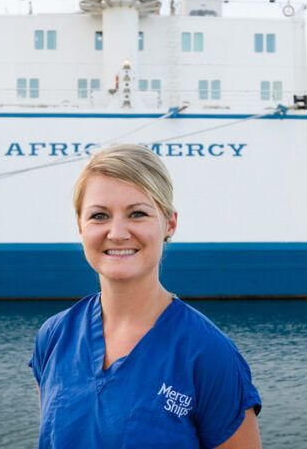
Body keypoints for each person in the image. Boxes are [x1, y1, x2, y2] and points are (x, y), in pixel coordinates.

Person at [29, 144, 262, 448]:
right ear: (80, 226)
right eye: (99, 216)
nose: (117, 233)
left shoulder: (208, 354)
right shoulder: (55, 337)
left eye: (137, 213)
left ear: (170, 223)